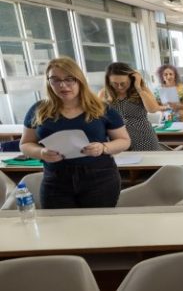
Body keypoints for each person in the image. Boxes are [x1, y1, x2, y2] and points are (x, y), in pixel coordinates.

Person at [20, 57, 130, 208]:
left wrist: (103, 147)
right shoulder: (38, 110)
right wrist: (41, 152)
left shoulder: (102, 108)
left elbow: (124, 141)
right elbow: (26, 144)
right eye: (55, 80)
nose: (63, 85)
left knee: (98, 226)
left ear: (80, 80)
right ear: (48, 82)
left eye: (69, 79)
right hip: (55, 179)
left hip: (100, 177)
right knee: (58, 227)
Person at [99, 62, 162, 151]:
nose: (120, 87)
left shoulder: (141, 90)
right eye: (115, 84)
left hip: (144, 138)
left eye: (123, 83)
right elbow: (98, 117)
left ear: (131, 79)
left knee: (148, 164)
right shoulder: (103, 93)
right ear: (108, 82)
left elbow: (153, 109)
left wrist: (138, 87)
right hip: (117, 141)